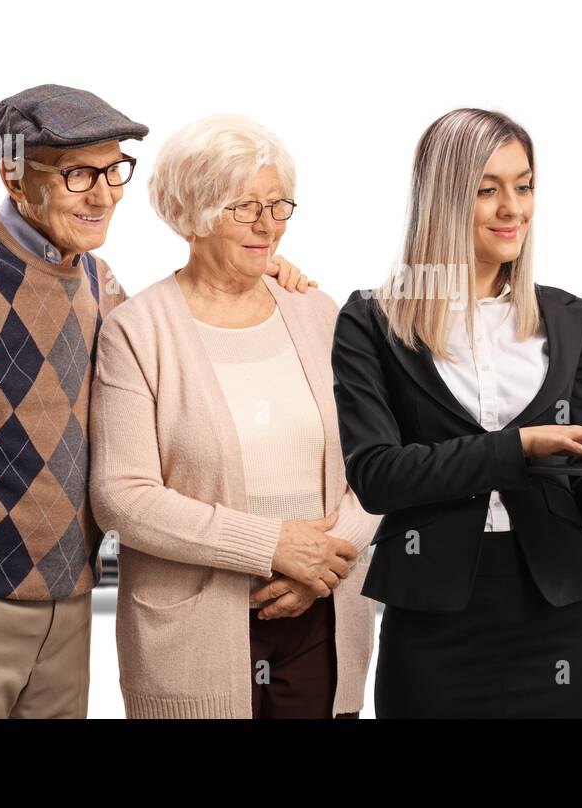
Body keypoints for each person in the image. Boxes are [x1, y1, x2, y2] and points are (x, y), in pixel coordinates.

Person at [0, 85, 312, 718]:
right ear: (13, 172)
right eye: (78, 173)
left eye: (114, 170)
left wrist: (257, 272)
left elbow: (171, 349)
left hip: (70, 607)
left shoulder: (98, 279)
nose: (104, 193)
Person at [331, 107, 582, 718]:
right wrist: (516, 448)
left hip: (557, 615)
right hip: (435, 621)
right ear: (441, 199)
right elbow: (378, 476)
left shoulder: (570, 319)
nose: (512, 209)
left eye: (524, 186)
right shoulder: (371, 321)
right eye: (486, 190)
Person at [89, 114, 379, 718]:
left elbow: (377, 465)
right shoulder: (138, 331)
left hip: (323, 615)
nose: (268, 225)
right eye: (245, 207)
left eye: (278, 205)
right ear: (194, 211)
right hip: (194, 629)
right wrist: (272, 546)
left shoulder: (317, 312)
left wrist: (324, 561)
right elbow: (123, 495)